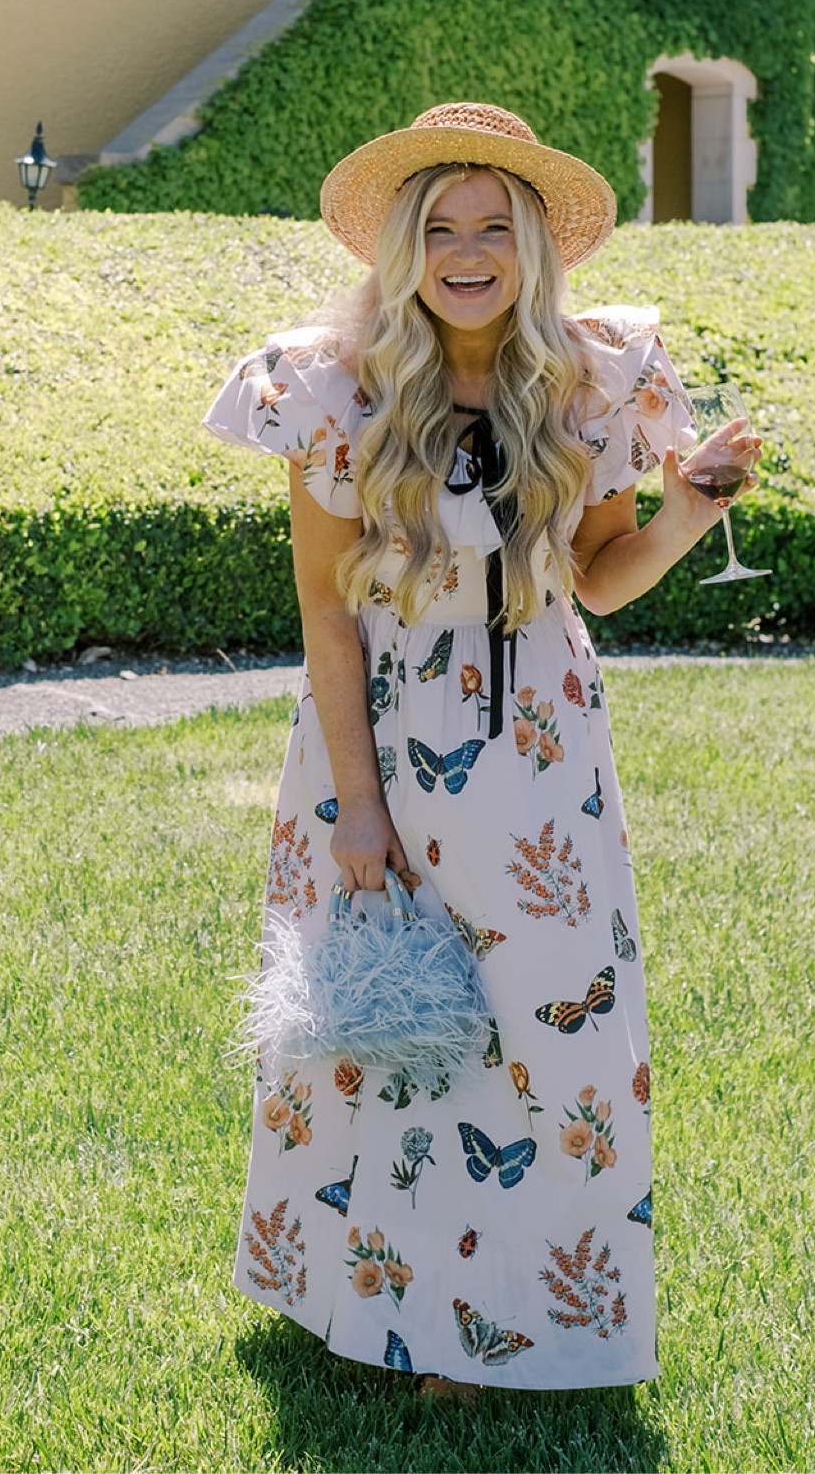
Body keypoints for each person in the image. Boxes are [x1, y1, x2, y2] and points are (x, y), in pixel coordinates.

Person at [203, 102, 760, 1397]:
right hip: (381, 737)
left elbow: (603, 582)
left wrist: (684, 510)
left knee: (547, 1034)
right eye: (439, 226)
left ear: (530, 248)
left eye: (492, 228)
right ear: (402, 245)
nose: (465, 251)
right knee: (386, 1013)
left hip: (542, 755)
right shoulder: (330, 384)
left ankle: (513, 1321)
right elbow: (326, 616)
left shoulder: (591, 375)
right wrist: (357, 809)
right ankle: (375, 1304)